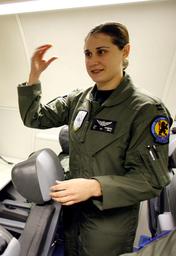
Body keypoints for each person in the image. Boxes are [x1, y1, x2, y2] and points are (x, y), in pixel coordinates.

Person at [17, 22, 172, 256]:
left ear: (125, 51)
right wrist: (34, 75)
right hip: (73, 215)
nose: (92, 61)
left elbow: (151, 180)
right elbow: (34, 118)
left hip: (108, 227)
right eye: (88, 54)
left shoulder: (146, 110)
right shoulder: (79, 99)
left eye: (102, 51)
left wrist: (95, 186)